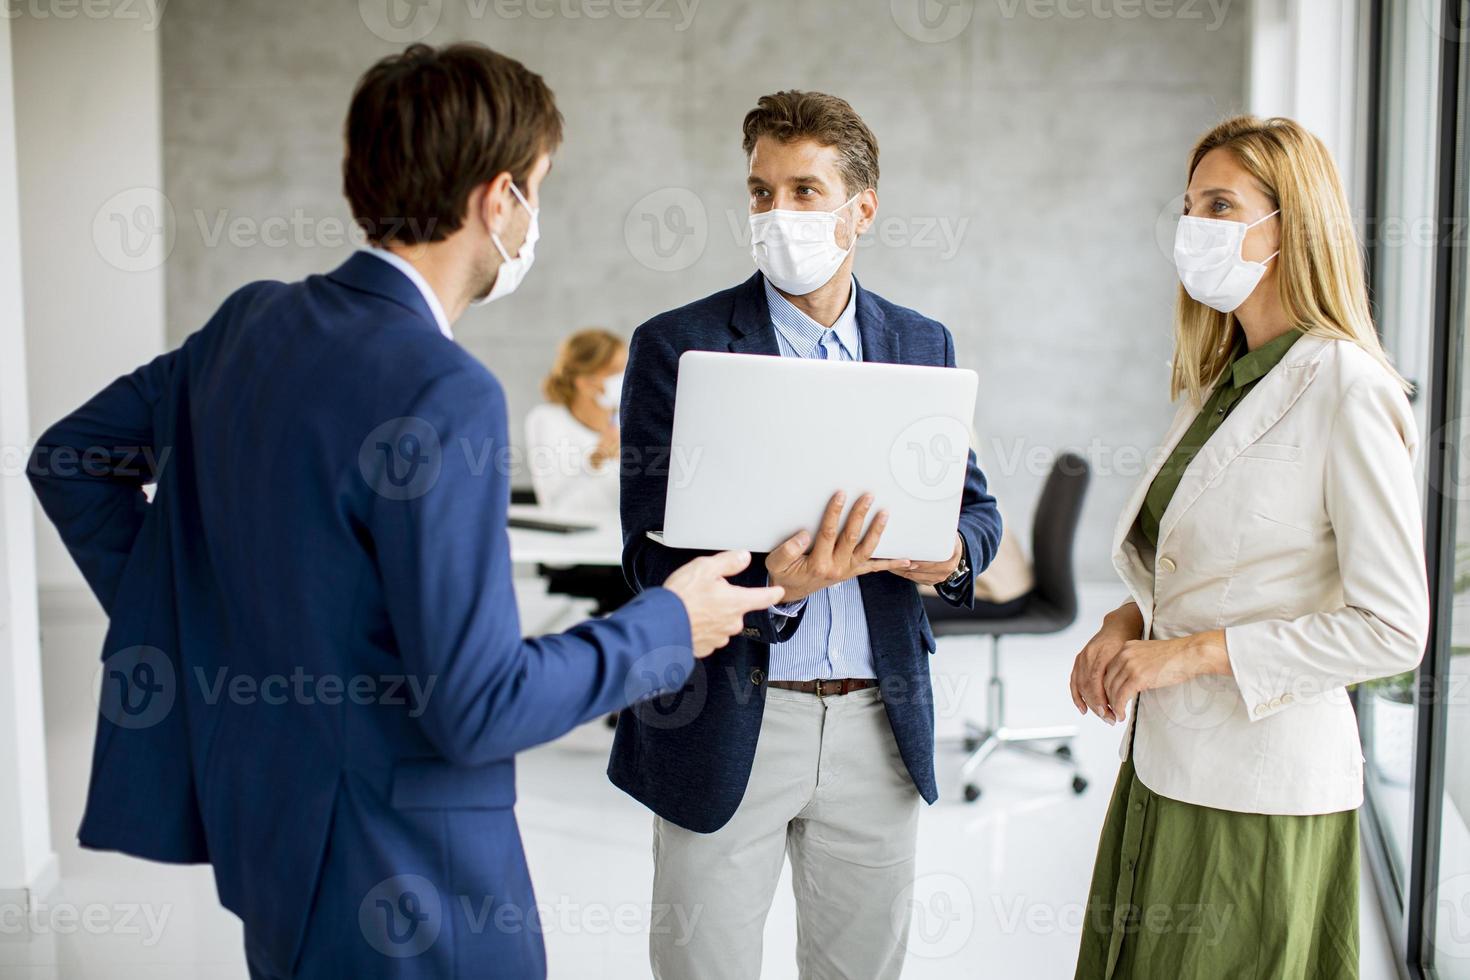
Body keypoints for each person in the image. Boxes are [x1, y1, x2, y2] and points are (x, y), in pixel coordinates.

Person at [27, 43, 781, 980]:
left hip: (269, 824)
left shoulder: (245, 324)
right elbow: (478, 705)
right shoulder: (441, 388)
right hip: (411, 880)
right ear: (495, 201)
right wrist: (671, 622)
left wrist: (192, 624)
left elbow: (68, 460)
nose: (533, 216)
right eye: (536, 189)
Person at [611, 90, 1003, 979]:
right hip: (727, 715)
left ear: (861, 210)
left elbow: (976, 512)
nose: (777, 215)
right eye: (760, 193)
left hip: (876, 720)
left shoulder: (920, 343)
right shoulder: (679, 345)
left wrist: (948, 560)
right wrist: (770, 585)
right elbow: (644, 556)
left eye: (804, 191)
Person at [1069, 115, 1429, 979]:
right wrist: (1125, 621)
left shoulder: (1347, 388)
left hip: (1261, 797)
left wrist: (1187, 656)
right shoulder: (1224, 376)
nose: (1194, 228)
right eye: (1191, 205)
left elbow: (1393, 631)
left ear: (1290, 226)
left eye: (1221, 205)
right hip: (1165, 770)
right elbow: (1196, 561)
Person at [525, 327, 625, 516]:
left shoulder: (630, 421)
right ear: (585, 380)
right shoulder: (547, 420)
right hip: (573, 540)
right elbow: (554, 502)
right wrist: (596, 460)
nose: (626, 377)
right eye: (615, 371)